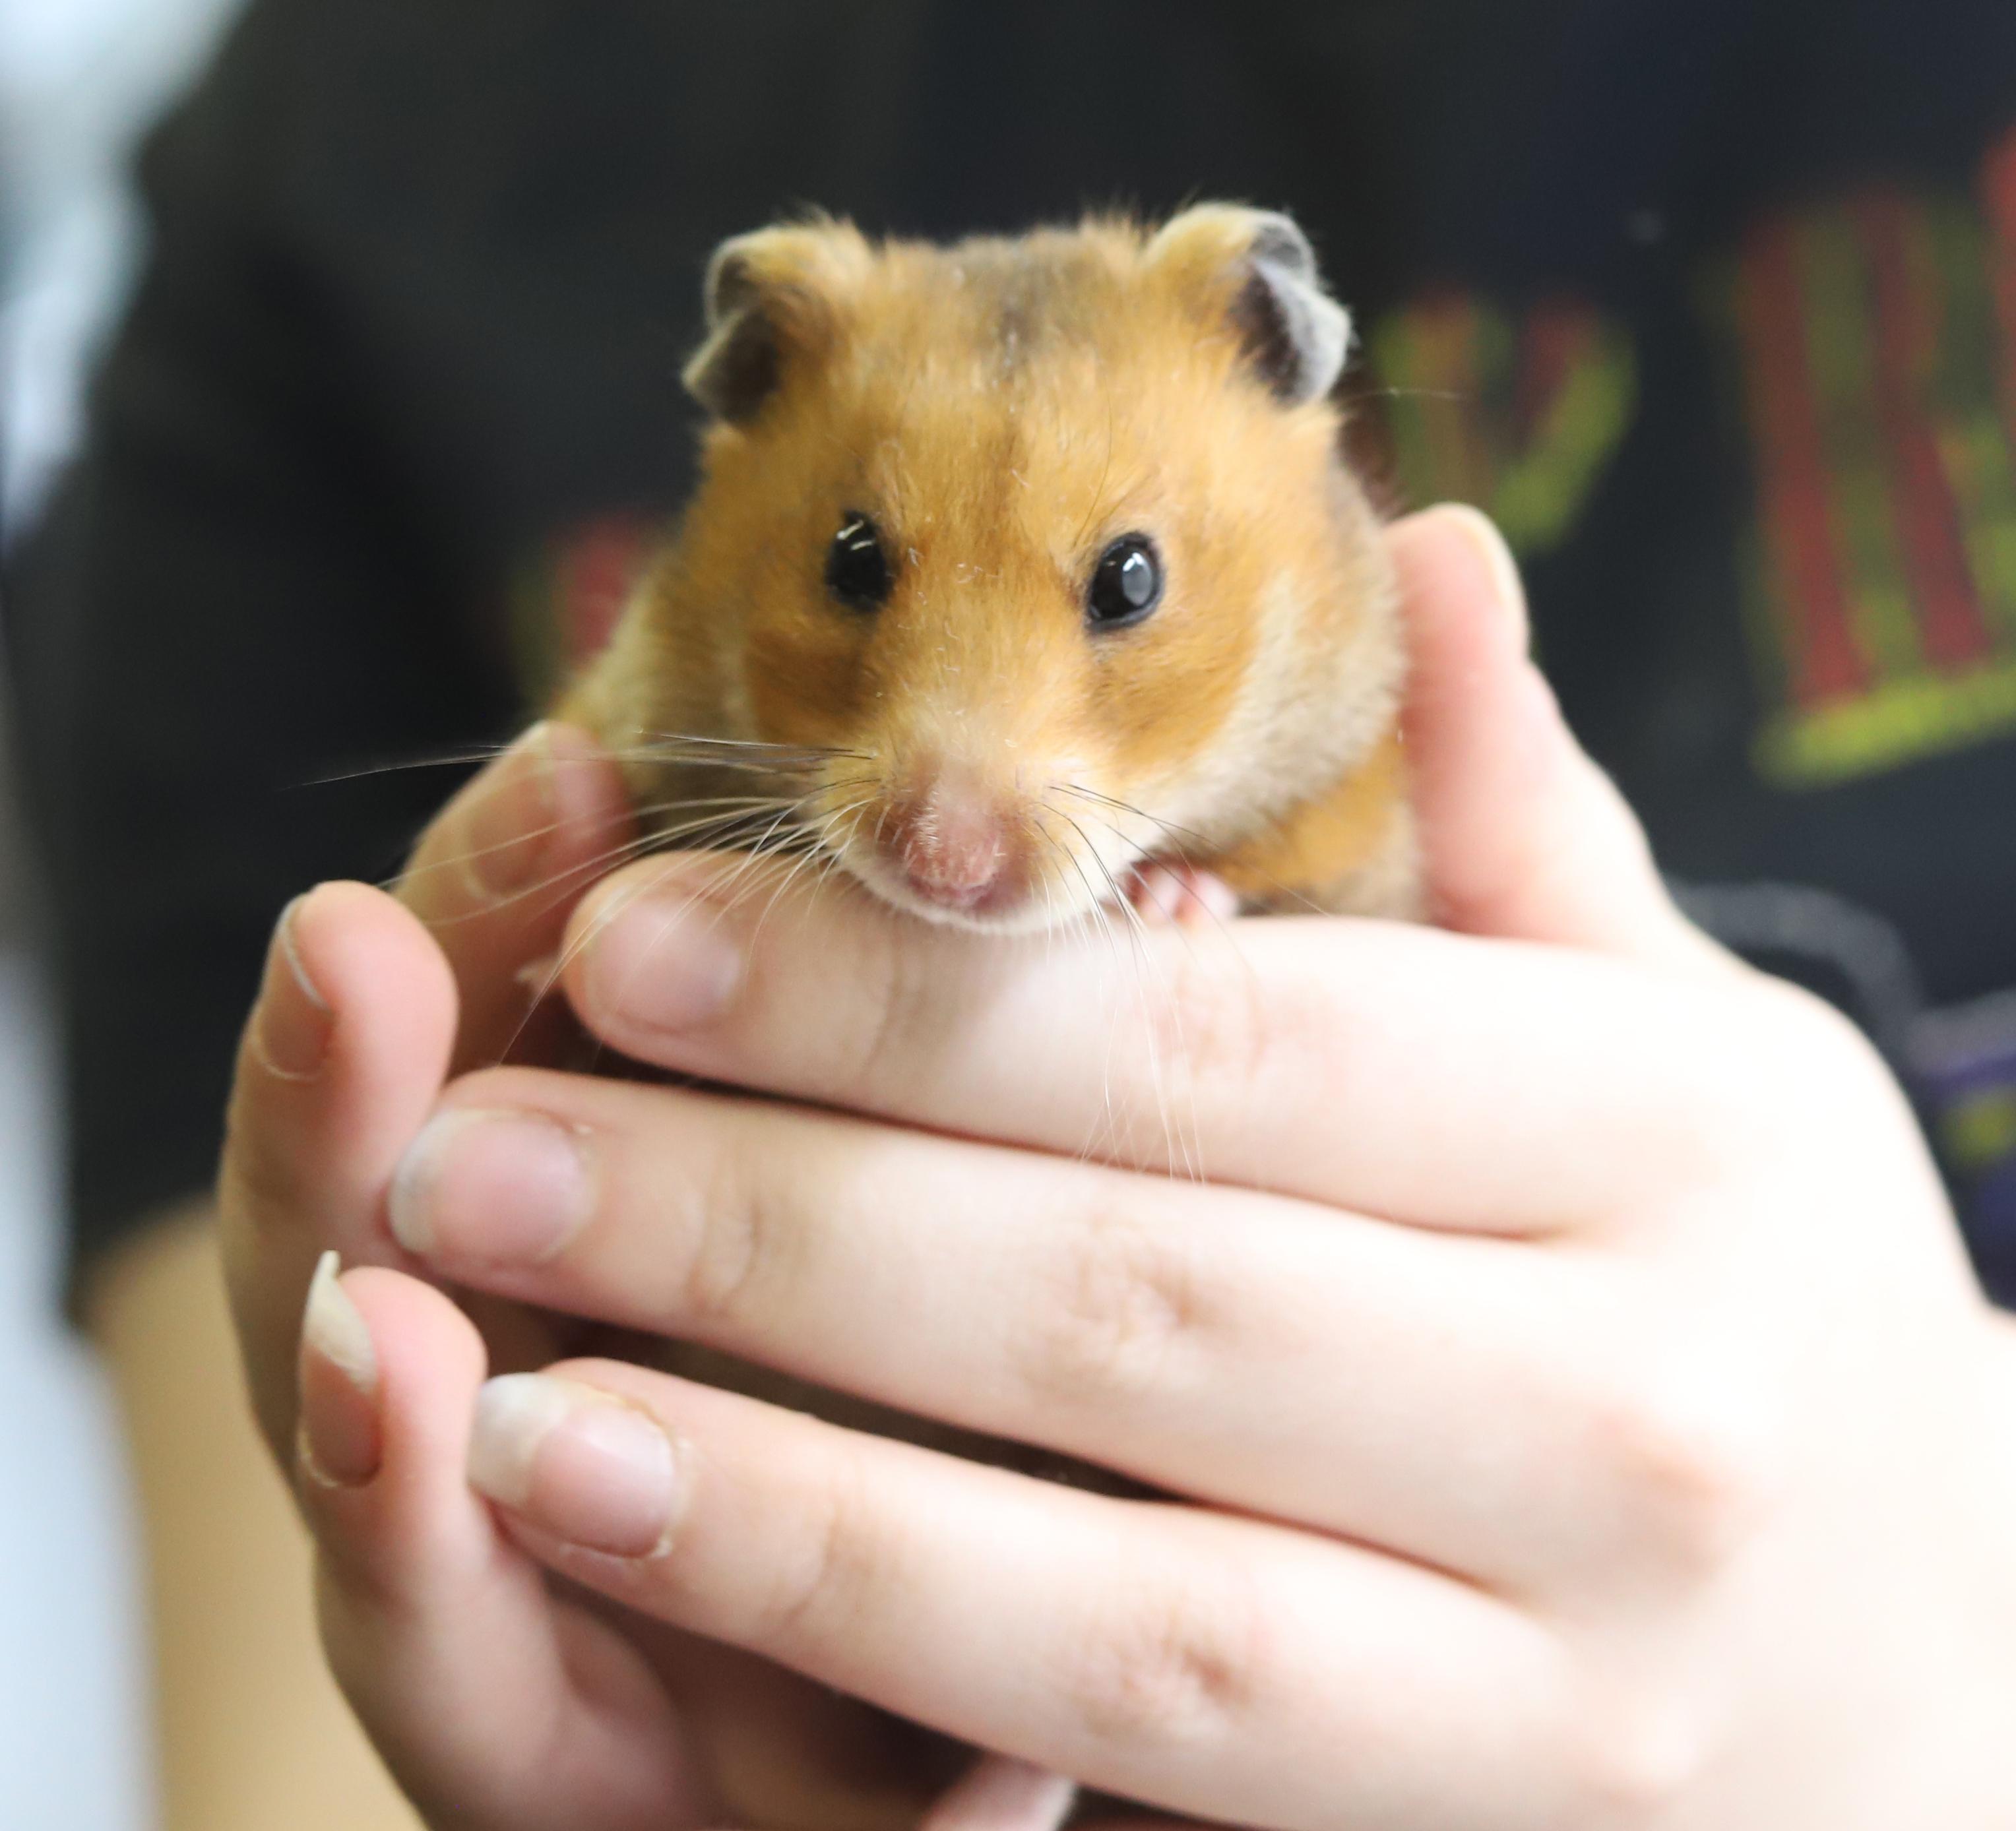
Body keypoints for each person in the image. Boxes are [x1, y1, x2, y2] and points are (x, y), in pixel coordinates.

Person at [9, 2, 2016, 1825]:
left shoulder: (1336, 687)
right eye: (864, 576)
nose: (957, 812)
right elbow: (286, 1740)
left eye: (1121, 592)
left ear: (1279, 367)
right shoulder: (342, 166)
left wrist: (1946, 1664)